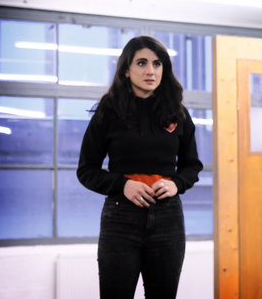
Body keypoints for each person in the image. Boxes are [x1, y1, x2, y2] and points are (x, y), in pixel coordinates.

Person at [77, 36, 203, 299]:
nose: (150, 71)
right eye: (142, 63)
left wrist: (176, 184)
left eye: (157, 64)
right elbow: (86, 170)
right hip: (121, 218)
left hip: (168, 218)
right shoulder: (107, 113)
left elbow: (192, 166)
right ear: (126, 69)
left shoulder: (177, 113)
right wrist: (123, 185)